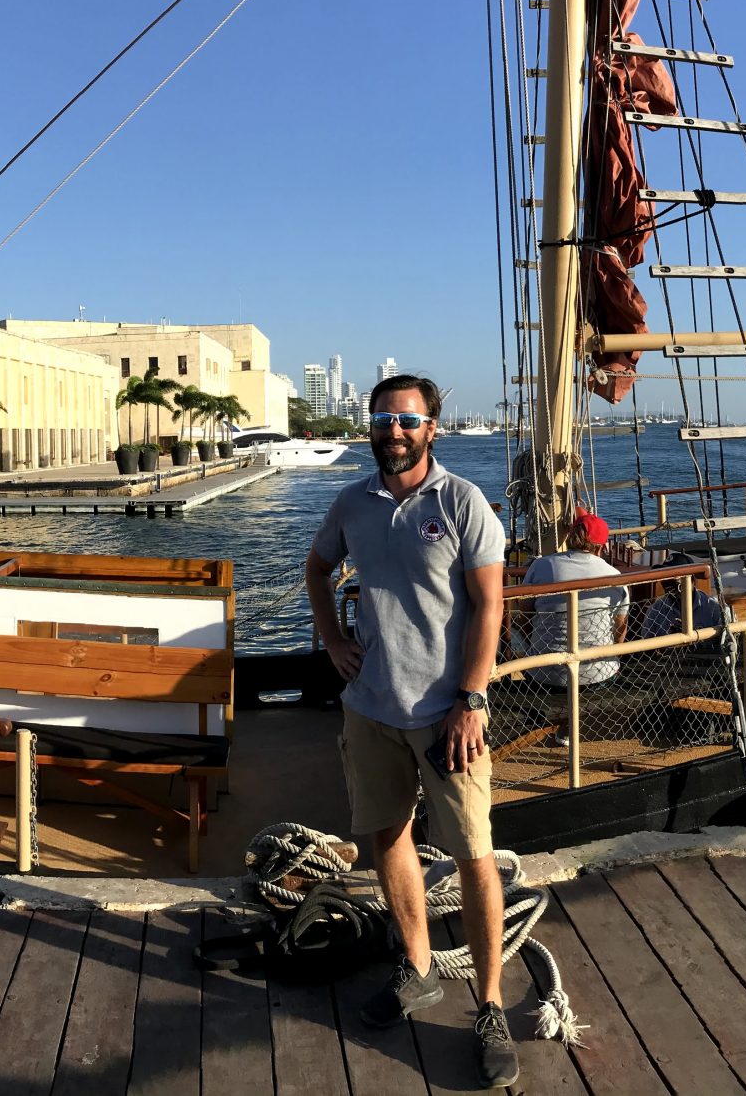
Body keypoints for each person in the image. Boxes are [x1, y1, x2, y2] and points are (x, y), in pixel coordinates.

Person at [304, 373, 517, 1087]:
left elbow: (490, 606)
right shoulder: (353, 503)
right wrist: (331, 636)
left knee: (474, 855)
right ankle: (419, 966)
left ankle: (489, 1004)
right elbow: (317, 564)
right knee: (387, 834)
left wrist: (473, 697)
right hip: (371, 707)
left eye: (406, 419)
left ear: (432, 428)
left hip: (447, 715)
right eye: (381, 418)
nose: (391, 430)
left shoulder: (461, 504)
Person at [523, 510, 625, 689]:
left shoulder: (541, 565)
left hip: (545, 674)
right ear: (601, 547)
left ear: (570, 538)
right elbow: (620, 631)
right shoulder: (615, 576)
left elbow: (524, 616)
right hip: (598, 674)